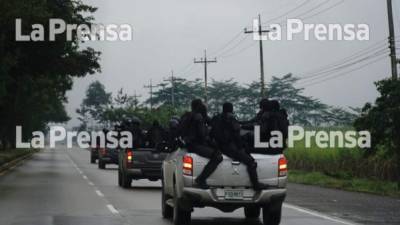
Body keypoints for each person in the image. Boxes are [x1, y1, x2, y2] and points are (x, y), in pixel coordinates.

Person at [211, 102, 269, 190]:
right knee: (251, 162)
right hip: (229, 147)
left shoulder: (216, 118)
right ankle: (256, 185)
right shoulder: (231, 119)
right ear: (231, 109)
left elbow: (211, 133)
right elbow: (236, 136)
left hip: (219, 147)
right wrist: (241, 148)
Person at [180, 99, 223, 189]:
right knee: (217, 156)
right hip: (195, 145)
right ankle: (201, 179)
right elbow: (202, 135)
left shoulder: (187, 115)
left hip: (189, 143)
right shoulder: (198, 117)